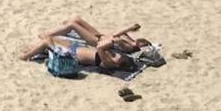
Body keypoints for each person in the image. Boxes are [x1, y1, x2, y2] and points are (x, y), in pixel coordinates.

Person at [18, 18, 149, 71]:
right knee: (49, 38)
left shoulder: (110, 63)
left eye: (123, 58)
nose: (122, 56)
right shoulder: (116, 57)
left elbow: (100, 47)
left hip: (74, 55)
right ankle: (30, 49)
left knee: (47, 41)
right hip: (77, 48)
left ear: (121, 63)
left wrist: (114, 41)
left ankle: (24, 57)